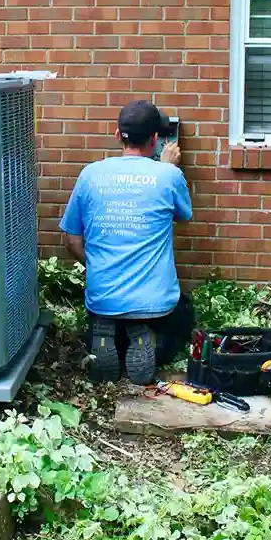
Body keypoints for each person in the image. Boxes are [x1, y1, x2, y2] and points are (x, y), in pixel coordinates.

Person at [59, 100, 194, 384]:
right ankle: (146, 338)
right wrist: (167, 167)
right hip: (154, 300)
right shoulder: (168, 175)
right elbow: (184, 216)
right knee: (183, 315)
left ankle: (107, 340)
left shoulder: (90, 174)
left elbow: (71, 240)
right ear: (156, 139)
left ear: (117, 134)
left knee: (105, 316)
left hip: (103, 296)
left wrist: (96, 266)